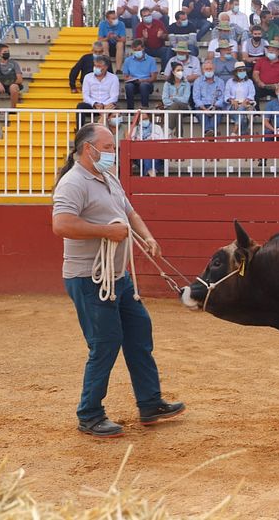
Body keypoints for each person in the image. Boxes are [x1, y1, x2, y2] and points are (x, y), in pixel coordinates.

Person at [52, 123, 183, 438]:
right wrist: (106, 231)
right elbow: (61, 225)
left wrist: (147, 236)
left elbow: (129, 213)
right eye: (108, 147)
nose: (112, 153)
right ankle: (90, 414)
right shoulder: (73, 182)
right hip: (89, 278)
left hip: (117, 277)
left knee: (139, 333)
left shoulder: (108, 177)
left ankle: (150, 403)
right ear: (89, 149)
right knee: (105, 343)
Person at [121, 39, 157, 110]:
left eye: (139, 50)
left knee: (143, 85)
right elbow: (125, 77)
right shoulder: (128, 60)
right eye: (135, 50)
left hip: (147, 84)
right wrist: (130, 79)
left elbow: (154, 78)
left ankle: (144, 108)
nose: (137, 52)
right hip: (133, 83)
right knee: (129, 86)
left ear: (143, 48)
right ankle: (130, 110)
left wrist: (143, 80)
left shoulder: (151, 60)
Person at [193, 60, 226, 137]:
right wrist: (205, 109)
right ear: (203, 70)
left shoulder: (220, 81)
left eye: (210, 69)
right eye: (206, 69)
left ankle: (208, 132)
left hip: (216, 107)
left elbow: (222, 98)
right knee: (202, 114)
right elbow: (196, 98)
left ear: (214, 69)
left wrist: (214, 107)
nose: (208, 70)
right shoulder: (198, 81)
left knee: (217, 114)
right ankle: (210, 132)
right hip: (202, 107)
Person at [131, 112, 168, 177]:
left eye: (146, 118)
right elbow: (131, 145)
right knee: (145, 158)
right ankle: (152, 175)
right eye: (141, 119)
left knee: (147, 158)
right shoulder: (135, 130)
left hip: (156, 156)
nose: (144, 121)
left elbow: (163, 144)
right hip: (140, 156)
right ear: (138, 120)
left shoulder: (157, 128)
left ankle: (149, 176)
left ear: (149, 118)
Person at [224, 62, 256, 137]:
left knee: (243, 112)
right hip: (233, 106)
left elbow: (251, 94)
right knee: (243, 117)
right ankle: (243, 136)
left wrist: (246, 101)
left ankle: (234, 132)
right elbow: (226, 95)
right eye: (240, 71)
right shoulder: (229, 82)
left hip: (246, 105)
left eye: (243, 70)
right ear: (236, 72)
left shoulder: (249, 82)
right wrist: (232, 100)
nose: (242, 72)